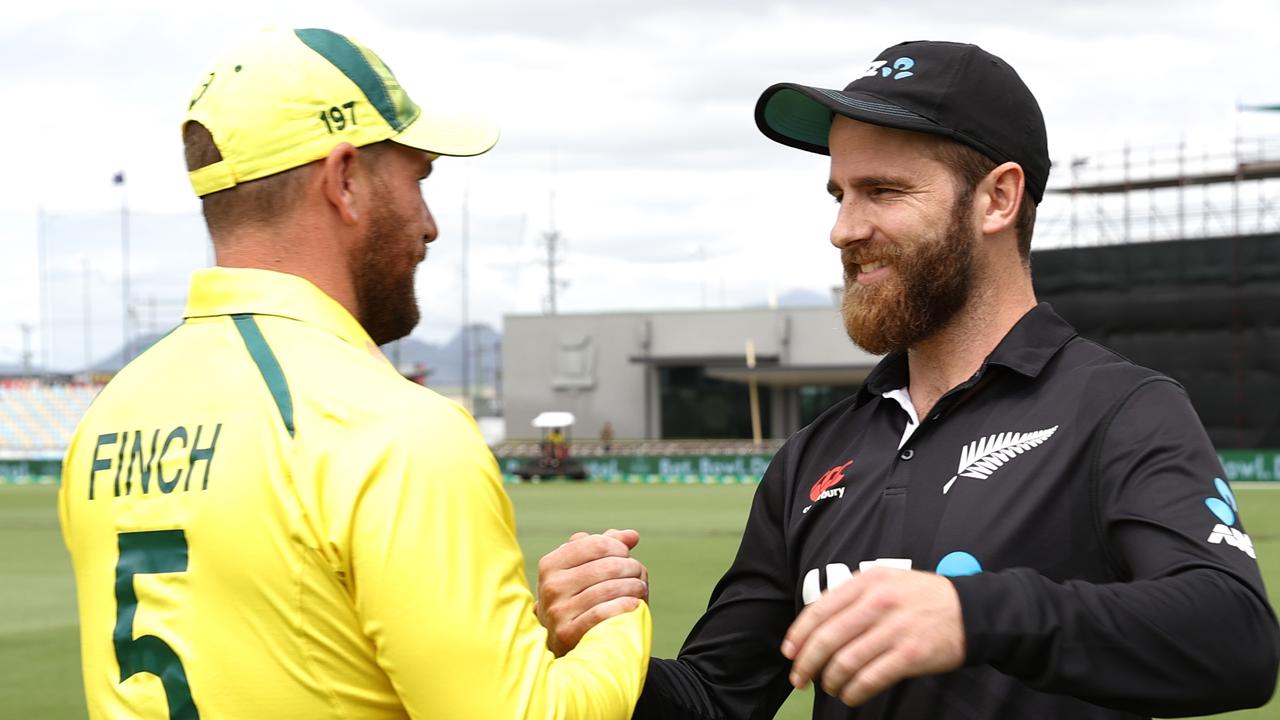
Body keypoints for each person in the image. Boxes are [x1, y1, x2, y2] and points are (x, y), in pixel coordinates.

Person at [535, 40, 1280, 719]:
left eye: (883, 192)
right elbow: (716, 698)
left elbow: (1236, 640)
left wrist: (972, 615)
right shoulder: (814, 454)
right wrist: (593, 657)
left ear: (997, 198)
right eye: (839, 194)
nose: (844, 229)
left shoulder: (1121, 410)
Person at [58, 27, 650, 719]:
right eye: (417, 180)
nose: (428, 226)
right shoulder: (394, 431)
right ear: (344, 182)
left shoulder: (107, 417)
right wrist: (615, 619)